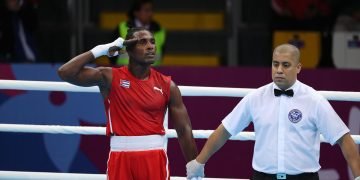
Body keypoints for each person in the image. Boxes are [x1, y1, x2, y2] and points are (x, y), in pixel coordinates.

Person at [186, 44, 360, 180]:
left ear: (298, 67)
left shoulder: (314, 100)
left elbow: (344, 139)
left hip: (303, 178)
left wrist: (358, 175)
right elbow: (224, 131)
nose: (279, 70)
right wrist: (199, 161)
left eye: (286, 65)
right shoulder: (255, 97)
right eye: (275, 64)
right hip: (262, 177)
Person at [58, 27, 197, 179]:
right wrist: (101, 50)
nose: (150, 46)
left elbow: (184, 129)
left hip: (153, 157)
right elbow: (65, 72)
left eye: (152, 42)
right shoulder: (109, 77)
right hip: (120, 157)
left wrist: (194, 165)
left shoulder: (167, 85)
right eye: (142, 42)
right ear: (129, 49)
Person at [113, 0, 166, 66]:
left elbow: (161, 54)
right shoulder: (121, 28)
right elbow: (112, 55)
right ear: (136, 12)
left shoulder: (160, 30)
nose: (150, 13)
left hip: (151, 74)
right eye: (146, 10)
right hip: (125, 74)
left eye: (151, 10)